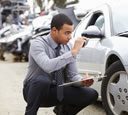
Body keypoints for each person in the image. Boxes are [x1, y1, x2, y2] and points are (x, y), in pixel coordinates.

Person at [23, 13, 98, 115]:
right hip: (33, 91)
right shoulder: (38, 43)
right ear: (54, 30)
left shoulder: (67, 47)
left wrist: (82, 81)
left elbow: (72, 76)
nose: (70, 37)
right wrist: (73, 52)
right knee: (42, 80)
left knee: (91, 94)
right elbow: (47, 66)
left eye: (71, 33)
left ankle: (62, 112)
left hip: (57, 91)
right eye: (66, 33)